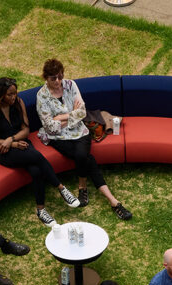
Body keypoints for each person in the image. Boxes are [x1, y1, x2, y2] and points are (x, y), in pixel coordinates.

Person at [36, 58, 132, 220]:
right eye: (53, 78)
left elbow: (82, 113)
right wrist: (72, 115)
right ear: (46, 78)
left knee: (82, 156)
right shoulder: (42, 97)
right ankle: (113, 201)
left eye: (60, 76)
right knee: (87, 158)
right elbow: (50, 128)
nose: (58, 81)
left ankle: (86, 189)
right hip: (58, 138)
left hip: (80, 132)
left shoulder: (70, 85)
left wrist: (61, 117)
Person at [0, 77, 80, 227]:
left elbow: (26, 130)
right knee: (36, 156)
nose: (13, 97)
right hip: (3, 150)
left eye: (15, 93)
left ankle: (41, 210)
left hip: (20, 142)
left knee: (35, 170)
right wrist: (11, 143)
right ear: (0, 94)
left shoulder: (18, 103)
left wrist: (13, 139)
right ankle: (61, 188)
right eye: (9, 94)